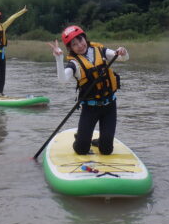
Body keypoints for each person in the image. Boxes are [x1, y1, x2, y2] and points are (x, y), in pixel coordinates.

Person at [48, 25, 128, 155]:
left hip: (109, 106)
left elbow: (122, 57)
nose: (79, 45)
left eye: (80, 40)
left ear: (85, 38)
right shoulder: (74, 63)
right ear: (70, 48)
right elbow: (62, 80)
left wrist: (123, 52)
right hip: (90, 109)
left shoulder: (100, 51)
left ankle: (99, 141)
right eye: (74, 44)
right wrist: (59, 59)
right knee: (81, 150)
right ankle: (80, 138)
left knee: (106, 150)